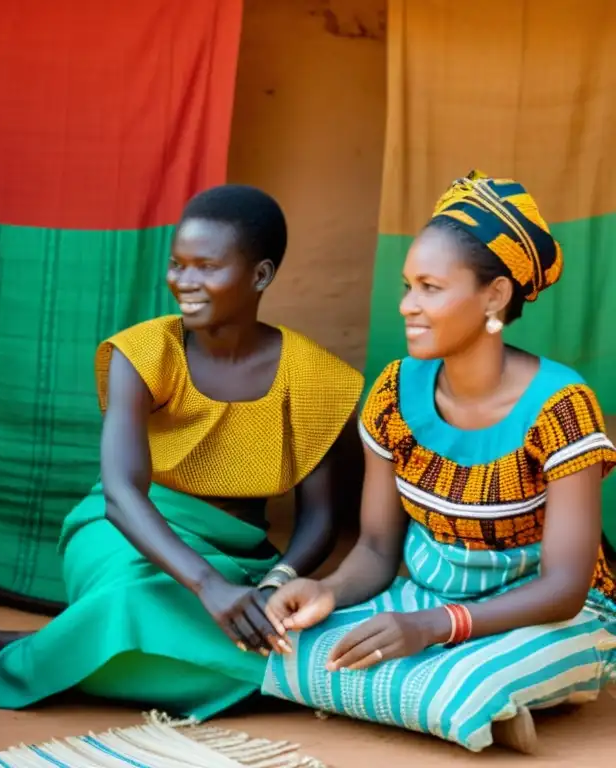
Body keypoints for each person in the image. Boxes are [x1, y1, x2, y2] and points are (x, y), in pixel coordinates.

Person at [0, 184, 364, 718]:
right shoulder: (143, 353)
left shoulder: (316, 377)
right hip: (128, 534)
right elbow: (119, 495)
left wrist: (276, 582)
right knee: (135, 600)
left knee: (277, 630)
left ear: (260, 276)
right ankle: (48, 652)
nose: (185, 283)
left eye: (206, 267)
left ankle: (73, 644)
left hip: (239, 561)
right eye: (177, 265)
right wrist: (207, 587)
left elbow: (320, 517)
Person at [262, 172, 616, 754]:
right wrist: (325, 590)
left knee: (456, 690)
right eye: (407, 286)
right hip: (423, 593)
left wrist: (433, 628)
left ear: (496, 295)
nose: (407, 306)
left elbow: (565, 588)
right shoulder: (395, 392)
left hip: (546, 614)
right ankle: (490, 700)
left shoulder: (562, 407)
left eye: (430, 287)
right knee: (291, 648)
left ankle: (511, 685)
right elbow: (376, 549)